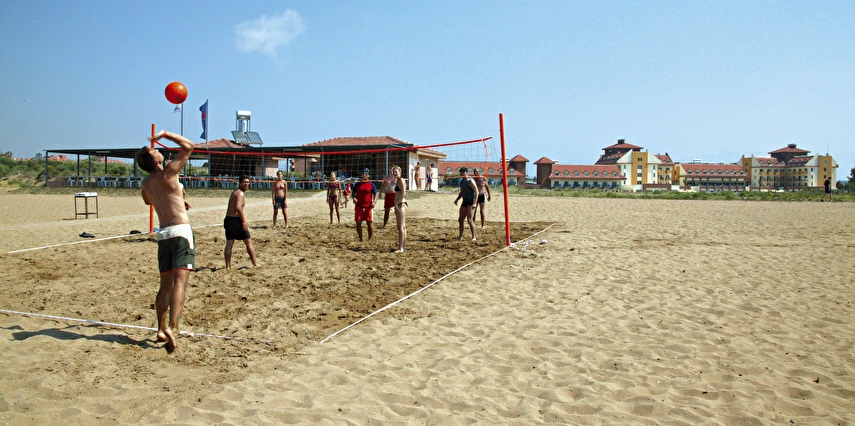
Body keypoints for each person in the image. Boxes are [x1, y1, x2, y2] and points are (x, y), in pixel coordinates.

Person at [136, 130, 195, 354]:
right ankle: (173, 327)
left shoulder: (146, 183)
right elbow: (189, 146)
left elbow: (148, 201)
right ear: (156, 160)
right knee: (180, 283)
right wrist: (166, 134)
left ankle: (160, 329)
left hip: (163, 234)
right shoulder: (169, 172)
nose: (158, 149)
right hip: (180, 231)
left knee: (165, 286)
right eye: (155, 150)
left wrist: (175, 198)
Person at [224, 175, 258, 269]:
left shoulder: (235, 192)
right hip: (235, 220)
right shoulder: (240, 193)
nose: (246, 184)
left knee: (229, 243)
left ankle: (227, 266)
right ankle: (255, 264)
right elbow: (238, 207)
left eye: (247, 182)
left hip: (228, 219)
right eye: (244, 182)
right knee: (248, 241)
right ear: (240, 183)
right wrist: (243, 221)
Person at [453, 167, 479, 241]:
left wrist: (475, 202)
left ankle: (474, 237)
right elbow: (462, 192)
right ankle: (460, 236)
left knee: (470, 220)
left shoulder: (470, 181)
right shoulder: (461, 182)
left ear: (466, 172)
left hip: (471, 202)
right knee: (460, 219)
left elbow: (477, 191)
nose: (462, 173)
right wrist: (457, 199)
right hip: (465, 201)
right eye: (461, 172)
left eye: (463, 172)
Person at [352, 168, 378, 242]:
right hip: (359, 206)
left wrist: (374, 201)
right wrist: (354, 198)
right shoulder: (357, 184)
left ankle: (370, 239)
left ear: (368, 175)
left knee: (369, 223)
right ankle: (361, 239)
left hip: (368, 206)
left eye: (366, 174)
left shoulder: (371, 184)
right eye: (363, 173)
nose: (364, 175)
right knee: (358, 223)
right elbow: (353, 192)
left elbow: (376, 194)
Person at [391, 165, 407, 253]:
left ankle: (401, 248)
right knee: (402, 227)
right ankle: (403, 247)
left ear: (400, 172)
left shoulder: (401, 180)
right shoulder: (398, 180)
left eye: (396, 171)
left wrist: (396, 203)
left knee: (401, 227)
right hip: (400, 204)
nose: (394, 173)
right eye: (393, 171)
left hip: (401, 204)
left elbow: (404, 193)